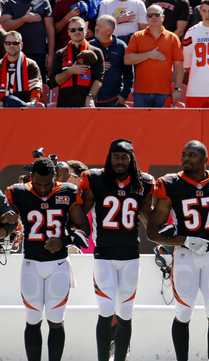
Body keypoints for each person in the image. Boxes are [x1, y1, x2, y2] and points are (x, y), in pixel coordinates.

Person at [148, 140, 209, 361]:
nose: (186, 159)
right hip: (186, 256)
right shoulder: (171, 183)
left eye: (192, 155)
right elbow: (152, 232)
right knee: (183, 313)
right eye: (184, 155)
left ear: (205, 159)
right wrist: (184, 240)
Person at [5, 157, 89, 361]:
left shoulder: (68, 191)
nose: (43, 189)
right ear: (31, 177)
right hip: (31, 264)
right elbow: (8, 223)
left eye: (47, 183)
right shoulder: (18, 192)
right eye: (38, 183)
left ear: (55, 177)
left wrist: (64, 240)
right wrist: (7, 224)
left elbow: (84, 230)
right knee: (32, 320)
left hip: (58, 265)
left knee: (56, 320)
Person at [77, 140, 154, 361]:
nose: (119, 161)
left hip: (130, 255)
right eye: (116, 157)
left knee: (126, 313)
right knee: (105, 310)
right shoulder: (96, 179)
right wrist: (77, 232)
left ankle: (120, 358)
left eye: (124, 157)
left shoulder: (143, 182)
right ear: (109, 158)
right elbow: (82, 211)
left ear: (131, 159)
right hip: (104, 255)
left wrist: (165, 233)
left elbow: (147, 216)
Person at [124, 4, 184, 107]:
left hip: (164, 92)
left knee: (163, 123)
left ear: (163, 17)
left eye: (156, 15)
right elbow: (127, 60)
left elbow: (179, 66)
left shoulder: (173, 38)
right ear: (146, 18)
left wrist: (177, 88)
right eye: (150, 15)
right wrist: (149, 54)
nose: (153, 17)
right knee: (141, 123)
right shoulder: (137, 36)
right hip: (140, 92)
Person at [52, 16, 105, 107]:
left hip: (86, 103)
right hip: (64, 103)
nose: (77, 32)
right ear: (68, 32)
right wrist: (70, 71)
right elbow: (54, 81)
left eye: (80, 29)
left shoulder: (96, 52)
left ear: (86, 30)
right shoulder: (60, 53)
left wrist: (90, 97)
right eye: (73, 30)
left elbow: (99, 79)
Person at [0, 0, 54, 83]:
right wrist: (24, 19)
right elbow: (5, 26)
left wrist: (50, 55)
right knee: (17, 88)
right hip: (14, 55)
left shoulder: (43, 2)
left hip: (39, 55)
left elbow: (50, 30)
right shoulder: (9, 2)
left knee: (37, 88)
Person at [90, 15, 134, 107]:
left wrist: (123, 95)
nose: (96, 28)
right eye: (96, 25)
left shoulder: (121, 46)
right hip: (91, 101)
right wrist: (98, 66)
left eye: (100, 26)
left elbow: (129, 74)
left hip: (115, 101)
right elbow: (81, 70)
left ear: (109, 31)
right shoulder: (89, 46)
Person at [0, 31, 43, 107]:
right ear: (4, 45)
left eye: (15, 43)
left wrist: (32, 102)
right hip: (2, 106)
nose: (11, 46)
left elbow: (36, 88)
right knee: (9, 100)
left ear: (21, 45)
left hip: (24, 106)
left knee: (10, 99)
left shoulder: (30, 64)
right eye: (8, 43)